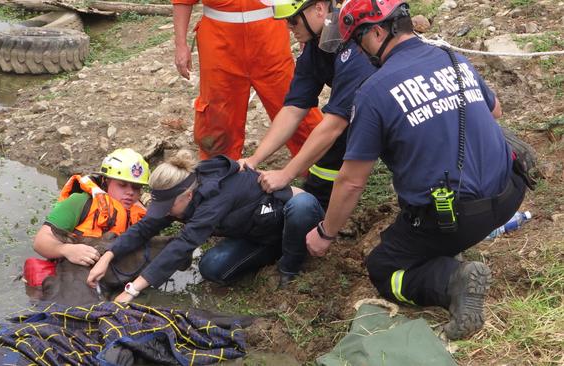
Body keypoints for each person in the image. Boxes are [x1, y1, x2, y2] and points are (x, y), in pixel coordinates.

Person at [305, 0, 526, 340]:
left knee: (384, 269)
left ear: (378, 32)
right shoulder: (453, 58)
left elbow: (350, 182)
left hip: (455, 216)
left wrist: (325, 233)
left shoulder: (374, 91)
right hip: (510, 192)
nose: (359, 53)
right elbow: (494, 111)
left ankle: (452, 280)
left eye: (358, 41)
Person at [87, 150, 324, 302]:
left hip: (294, 219)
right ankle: (274, 252)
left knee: (301, 206)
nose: (165, 213)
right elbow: (145, 227)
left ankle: (289, 268)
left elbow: (184, 244)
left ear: (186, 197)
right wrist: (108, 255)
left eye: (168, 207)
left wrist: (131, 291)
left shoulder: (214, 198)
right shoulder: (184, 190)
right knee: (212, 267)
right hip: (257, 234)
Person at [238, 0, 376, 209]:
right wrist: (254, 159)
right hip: (362, 112)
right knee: (329, 157)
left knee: (342, 133)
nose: (288, 27)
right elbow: (293, 109)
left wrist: (286, 174)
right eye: (285, 21)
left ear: (319, 9)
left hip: (398, 114)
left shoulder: (354, 45)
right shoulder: (317, 46)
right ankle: (319, 203)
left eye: (293, 21)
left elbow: (334, 124)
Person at [172, 0, 323, 160]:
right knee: (217, 115)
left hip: (270, 40)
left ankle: (319, 162)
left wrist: (306, 31)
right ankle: (219, 172)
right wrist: (180, 44)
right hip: (218, 43)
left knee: (295, 103)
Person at [33, 148, 150, 267]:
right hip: (71, 274)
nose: (130, 192)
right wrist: (66, 250)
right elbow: (40, 241)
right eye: (122, 185)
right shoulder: (80, 202)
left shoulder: (143, 216)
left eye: (136, 187)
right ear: (105, 181)